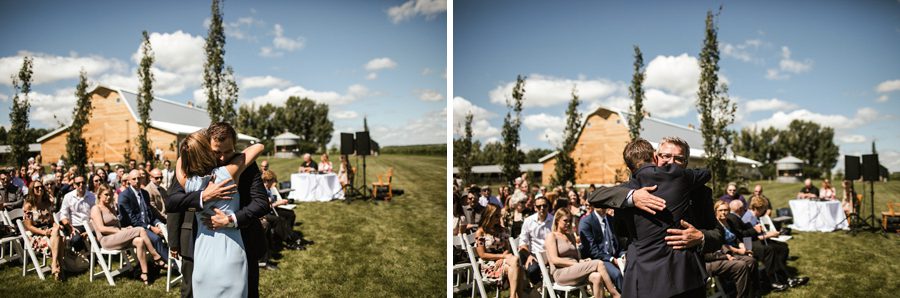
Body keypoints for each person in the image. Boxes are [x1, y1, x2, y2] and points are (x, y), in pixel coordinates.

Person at [166, 122, 270, 298]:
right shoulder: (192, 168)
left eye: (228, 151)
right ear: (207, 146)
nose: (222, 157)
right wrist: (203, 196)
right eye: (217, 152)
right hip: (197, 243)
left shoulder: (245, 163)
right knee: (191, 293)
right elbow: (172, 202)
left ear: (235, 146)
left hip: (243, 239)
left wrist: (232, 219)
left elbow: (261, 202)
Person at [90, 185, 167, 285]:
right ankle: (156, 256)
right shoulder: (96, 208)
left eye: (111, 195)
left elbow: (117, 227)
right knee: (140, 229)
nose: (109, 197)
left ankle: (144, 273)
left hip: (116, 237)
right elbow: (102, 229)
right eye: (106, 195)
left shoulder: (111, 207)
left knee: (140, 241)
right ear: (99, 195)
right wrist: (120, 231)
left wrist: (125, 229)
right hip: (106, 240)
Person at [547, 208, 621, 298]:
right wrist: (575, 264)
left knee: (597, 277)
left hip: (575, 270)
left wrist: (582, 261)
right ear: (557, 220)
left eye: (570, 221)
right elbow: (555, 260)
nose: (568, 223)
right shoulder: (552, 236)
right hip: (561, 273)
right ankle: (615, 294)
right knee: (599, 263)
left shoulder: (570, 236)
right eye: (565, 221)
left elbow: (576, 259)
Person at [709, 200, 759, 296]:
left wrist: (744, 248)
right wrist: (739, 251)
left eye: (726, 210)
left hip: (737, 249)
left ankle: (754, 293)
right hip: (726, 252)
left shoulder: (729, 222)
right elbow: (721, 244)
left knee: (752, 261)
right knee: (745, 263)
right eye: (721, 210)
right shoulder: (714, 225)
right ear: (715, 211)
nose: (723, 212)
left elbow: (736, 238)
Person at [475, 204, 525, 298]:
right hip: (488, 264)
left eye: (499, 215)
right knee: (518, 268)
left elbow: (507, 249)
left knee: (515, 263)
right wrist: (502, 257)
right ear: (489, 215)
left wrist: (502, 258)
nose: (499, 218)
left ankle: (513, 295)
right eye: (497, 215)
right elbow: (482, 255)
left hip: (503, 260)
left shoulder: (501, 230)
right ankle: (516, 296)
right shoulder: (480, 232)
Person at [118, 170, 168, 262]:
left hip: (147, 224)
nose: (137, 181)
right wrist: (151, 228)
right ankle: (171, 264)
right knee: (156, 239)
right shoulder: (124, 196)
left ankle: (172, 259)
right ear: (128, 180)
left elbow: (150, 214)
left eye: (139, 178)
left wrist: (157, 224)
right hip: (134, 228)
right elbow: (132, 220)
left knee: (166, 232)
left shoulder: (144, 193)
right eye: (134, 179)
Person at [22, 180, 64, 280]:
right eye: (37, 187)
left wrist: (56, 226)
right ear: (32, 190)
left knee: (57, 233)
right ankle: (59, 268)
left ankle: (55, 266)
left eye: (41, 187)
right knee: (61, 239)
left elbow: (52, 221)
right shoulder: (28, 205)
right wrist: (44, 232)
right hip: (34, 235)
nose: (40, 189)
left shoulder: (47, 203)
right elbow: (29, 227)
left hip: (49, 231)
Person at [578, 205, 625, 291]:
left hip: (615, 256)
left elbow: (619, 243)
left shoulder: (611, 219)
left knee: (634, 267)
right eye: (600, 204)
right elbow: (592, 250)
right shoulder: (586, 222)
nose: (602, 207)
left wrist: (623, 255)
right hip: (599, 260)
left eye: (604, 204)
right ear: (594, 205)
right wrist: (611, 259)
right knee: (617, 274)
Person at [517, 194, 553, 286]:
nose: (542, 208)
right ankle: (540, 287)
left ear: (548, 206)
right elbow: (523, 242)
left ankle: (554, 289)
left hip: (551, 253)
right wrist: (528, 256)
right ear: (535, 208)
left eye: (544, 206)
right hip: (535, 254)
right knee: (532, 270)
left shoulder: (553, 220)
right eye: (539, 206)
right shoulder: (528, 221)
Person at [59, 175, 96, 252]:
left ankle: (92, 254)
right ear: (74, 185)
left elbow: (95, 215)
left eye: (83, 183)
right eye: (78, 183)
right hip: (76, 226)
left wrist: (89, 230)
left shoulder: (92, 196)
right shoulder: (68, 197)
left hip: (90, 224)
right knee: (76, 240)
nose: (81, 185)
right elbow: (63, 215)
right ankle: (85, 254)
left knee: (101, 235)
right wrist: (70, 228)